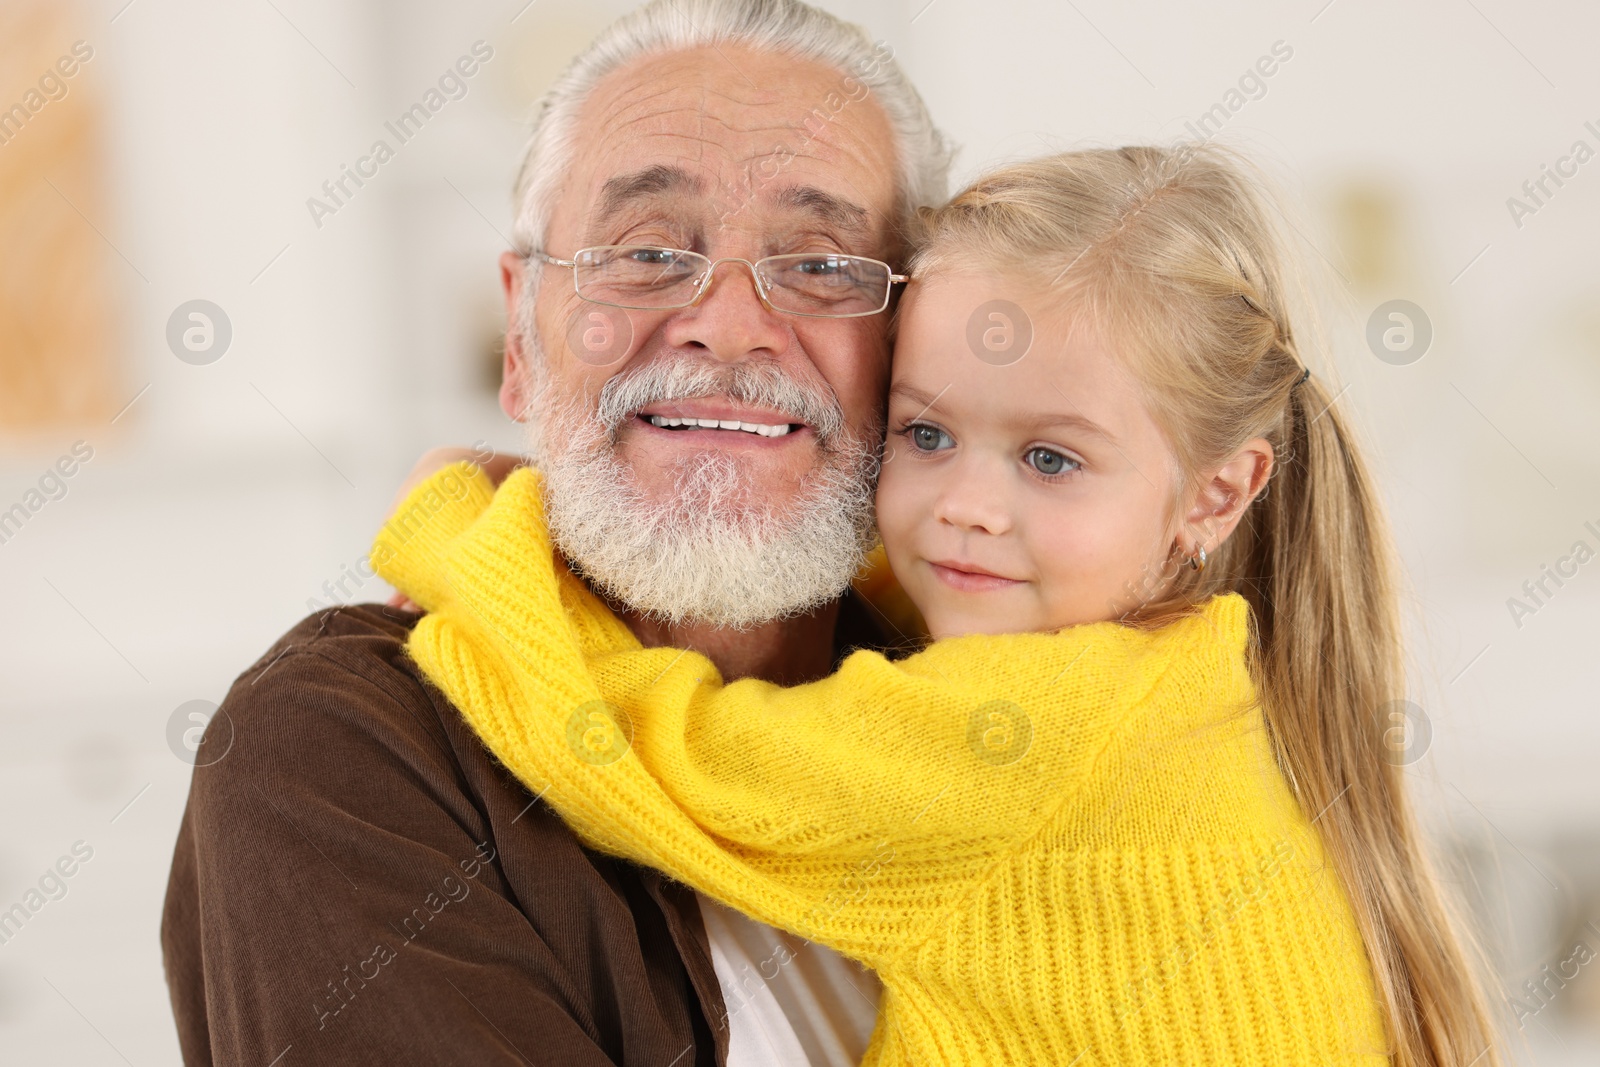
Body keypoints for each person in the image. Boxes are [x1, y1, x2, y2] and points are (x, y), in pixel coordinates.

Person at [375, 148, 1505, 1066]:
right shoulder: (1185, 679)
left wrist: (472, 533)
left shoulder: (1031, 731)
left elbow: (644, 756)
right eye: (924, 433)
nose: (965, 507)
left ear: (1215, 493)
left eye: (1051, 459)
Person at [159, 1, 953, 1063]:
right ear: (522, 336)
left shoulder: (986, 689)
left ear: (920, 343)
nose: (725, 320)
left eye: (819, 264)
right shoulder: (342, 748)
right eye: (646, 252)